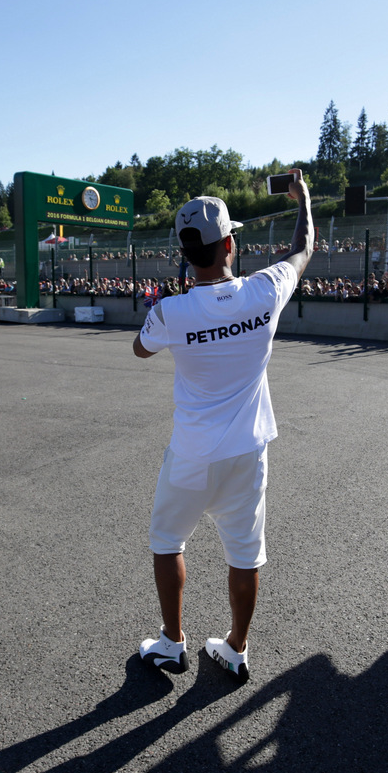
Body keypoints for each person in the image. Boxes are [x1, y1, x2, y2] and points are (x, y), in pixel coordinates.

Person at [133, 170, 315, 682]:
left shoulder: (171, 311)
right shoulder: (265, 291)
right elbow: (303, 247)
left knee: (167, 541)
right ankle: (236, 646)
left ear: (187, 251)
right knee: (245, 553)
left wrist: (172, 316)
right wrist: (303, 199)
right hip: (247, 451)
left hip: (191, 454)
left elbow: (141, 348)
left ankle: (172, 643)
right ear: (230, 243)